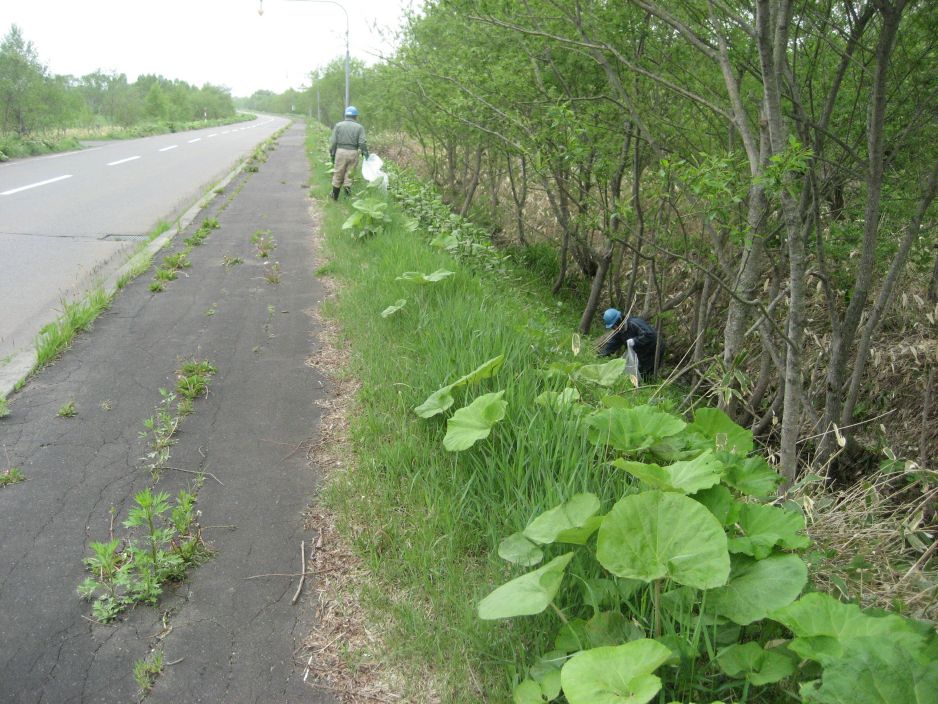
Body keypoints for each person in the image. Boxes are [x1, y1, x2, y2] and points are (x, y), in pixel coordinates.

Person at [598, 308, 664, 378]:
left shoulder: (634, 323)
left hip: (654, 348)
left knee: (646, 373)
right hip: (642, 351)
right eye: (613, 327)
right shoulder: (620, 331)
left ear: (619, 320)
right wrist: (601, 355)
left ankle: (648, 382)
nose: (614, 328)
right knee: (638, 372)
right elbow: (613, 344)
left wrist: (634, 341)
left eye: (614, 326)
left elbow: (649, 335)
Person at [329, 106, 369, 201]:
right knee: (349, 175)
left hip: (340, 152)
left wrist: (332, 153)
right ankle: (347, 198)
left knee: (338, 173)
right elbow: (362, 143)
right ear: (355, 116)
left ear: (345, 115)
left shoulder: (338, 125)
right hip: (353, 153)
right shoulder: (359, 127)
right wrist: (365, 153)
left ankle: (334, 197)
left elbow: (333, 142)